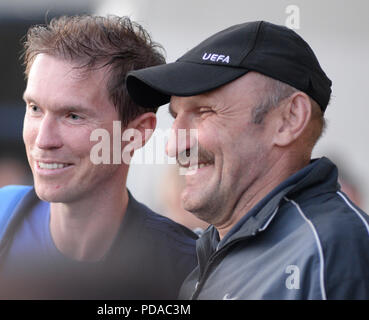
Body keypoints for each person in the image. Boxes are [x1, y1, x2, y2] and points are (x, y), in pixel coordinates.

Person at [0, 15, 197, 299]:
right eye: (35, 108)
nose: (43, 139)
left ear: (136, 133)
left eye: (73, 116)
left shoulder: (185, 269)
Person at [126, 21, 369, 299]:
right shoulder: (215, 248)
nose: (173, 146)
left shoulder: (332, 250)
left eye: (204, 111)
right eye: (175, 117)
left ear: (289, 120)